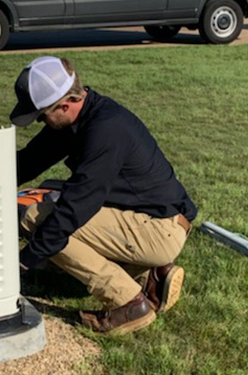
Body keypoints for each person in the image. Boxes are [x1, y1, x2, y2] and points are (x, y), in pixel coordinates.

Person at [12, 56, 197, 335]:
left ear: (64, 104)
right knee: (52, 199)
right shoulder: (79, 118)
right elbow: (28, 162)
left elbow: (74, 209)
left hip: (160, 229)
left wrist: (24, 261)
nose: (41, 122)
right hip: (153, 219)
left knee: (39, 218)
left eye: (41, 116)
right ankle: (150, 277)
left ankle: (128, 303)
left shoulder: (105, 130)